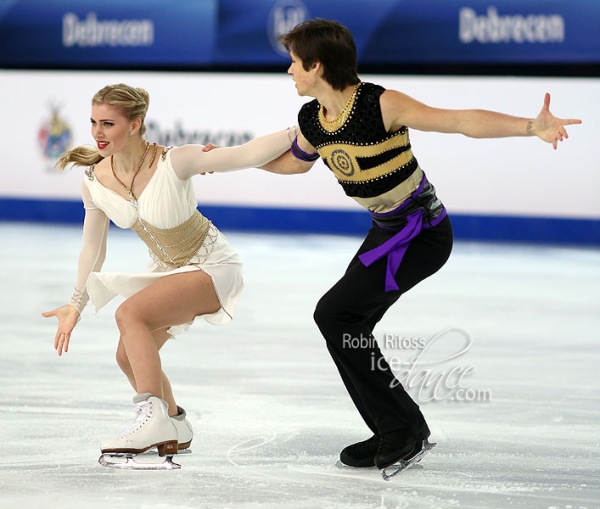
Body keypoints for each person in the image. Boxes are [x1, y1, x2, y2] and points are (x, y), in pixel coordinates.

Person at [242, 18, 581, 473]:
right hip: (386, 234)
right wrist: (225, 162)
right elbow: (293, 165)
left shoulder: (380, 104)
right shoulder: (314, 120)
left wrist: (529, 126)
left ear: (317, 66)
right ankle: (394, 428)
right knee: (345, 323)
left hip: (421, 232)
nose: (289, 71)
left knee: (336, 314)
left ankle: (400, 429)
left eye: (294, 63)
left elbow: (459, 121)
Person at [42, 83, 296, 461]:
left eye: (108, 123)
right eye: (94, 122)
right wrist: (75, 304)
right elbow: (93, 249)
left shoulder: (174, 161)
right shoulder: (94, 180)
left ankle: (152, 416)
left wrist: (304, 131)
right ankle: (175, 421)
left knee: (130, 313)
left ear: (134, 125)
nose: (97, 132)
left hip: (212, 265)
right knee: (127, 356)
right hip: (168, 271)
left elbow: (243, 155)